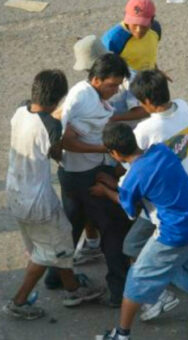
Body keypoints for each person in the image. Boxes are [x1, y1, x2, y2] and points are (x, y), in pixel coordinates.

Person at [92, 124, 188, 340]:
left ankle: (122, 335)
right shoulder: (161, 150)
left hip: (172, 234)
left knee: (136, 279)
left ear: (114, 153)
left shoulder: (132, 179)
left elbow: (129, 208)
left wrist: (105, 190)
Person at [3, 70, 103, 320]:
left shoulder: (20, 111)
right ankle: (19, 301)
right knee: (48, 251)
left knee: (56, 245)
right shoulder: (51, 126)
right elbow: (57, 152)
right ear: (58, 99)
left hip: (15, 192)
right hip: (37, 201)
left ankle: (72, 288)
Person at [45, 54, 132, 308]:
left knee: (73, 225)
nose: (115, 90)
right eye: (112, 85)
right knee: (113, 229)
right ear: (96, 79)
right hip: (85, 176)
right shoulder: (84, 98)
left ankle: (55, 276)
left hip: (73, 174)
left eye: (118, 85)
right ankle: (119, 291)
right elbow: (66, 138)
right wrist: (104, 150)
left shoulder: (90, 96)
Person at [123, 69, 188, 321]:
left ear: (145, 102)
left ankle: (155, 297)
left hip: (164, 205)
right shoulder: (185, 108)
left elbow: (133, 167)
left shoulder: (145, 130)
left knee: (133, 244)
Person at [101, 0, 164, 73]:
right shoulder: (112, 40)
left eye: (143, 25)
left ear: (152, 20)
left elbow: (149, 55)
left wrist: (156, 70)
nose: (138, 30)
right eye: (134, 24)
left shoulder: (155, 30)